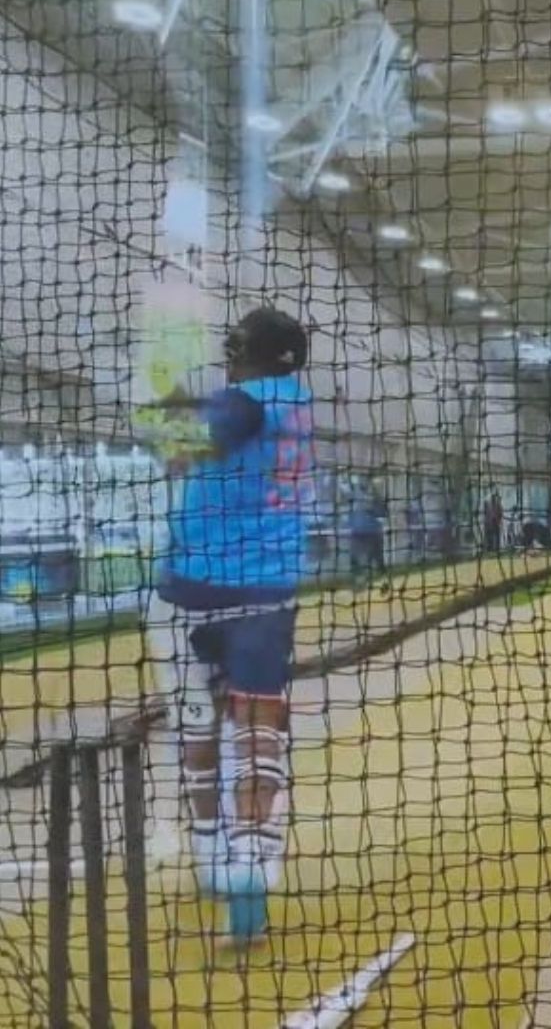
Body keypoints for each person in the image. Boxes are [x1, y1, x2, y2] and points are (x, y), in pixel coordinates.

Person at [142, 307, 314, 943]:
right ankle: (252, 867)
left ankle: (216, 856)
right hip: (269, 594)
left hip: (196, 589)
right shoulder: (296, 399)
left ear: (252, 353)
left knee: (199, 725)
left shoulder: (242, 402)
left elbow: (186, 439)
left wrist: (161, 398)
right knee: (260, 728)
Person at [347, 479, 388, 586]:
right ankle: (360, 579)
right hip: (358, 532)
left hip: (373, 533)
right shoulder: (356, 496)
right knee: (354, 556)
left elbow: (383, 516)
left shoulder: (378, 499)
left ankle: (383, 580)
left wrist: (372, 512)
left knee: (377, 559)